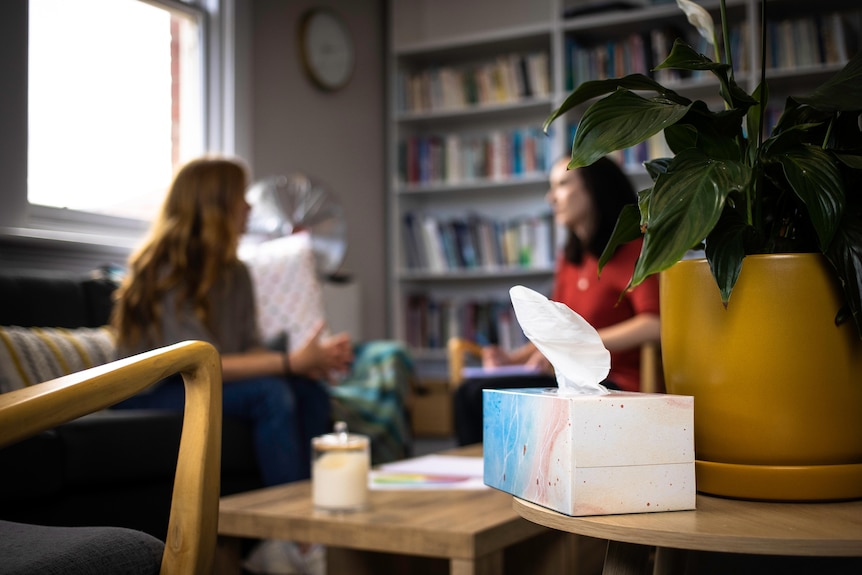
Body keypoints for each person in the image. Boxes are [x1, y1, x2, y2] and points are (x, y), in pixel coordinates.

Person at [111, 156, 354, 487]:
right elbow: (197, 363)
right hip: (152, 391)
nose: (249, 207)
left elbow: (245, 348)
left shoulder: (235, 273)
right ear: (214, 205)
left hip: (206, 381)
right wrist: (289, 362)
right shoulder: (164, 270)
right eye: (240, 196)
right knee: (270, 394)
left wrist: (305, 365)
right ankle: (286, 530)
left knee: (309, 392)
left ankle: (312, 513)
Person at [453, 155, 661, 446]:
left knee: (476, 395)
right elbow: (556, 330)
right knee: (469, 391)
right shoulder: (570, 259)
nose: (551, 197)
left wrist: (579, 344)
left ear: (595, 187)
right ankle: (482, 481)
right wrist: (512, 360)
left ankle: (486, 482)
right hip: (569, 381)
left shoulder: (635, 250)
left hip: (612, 385)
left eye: (563, 184)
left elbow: (654, 324)